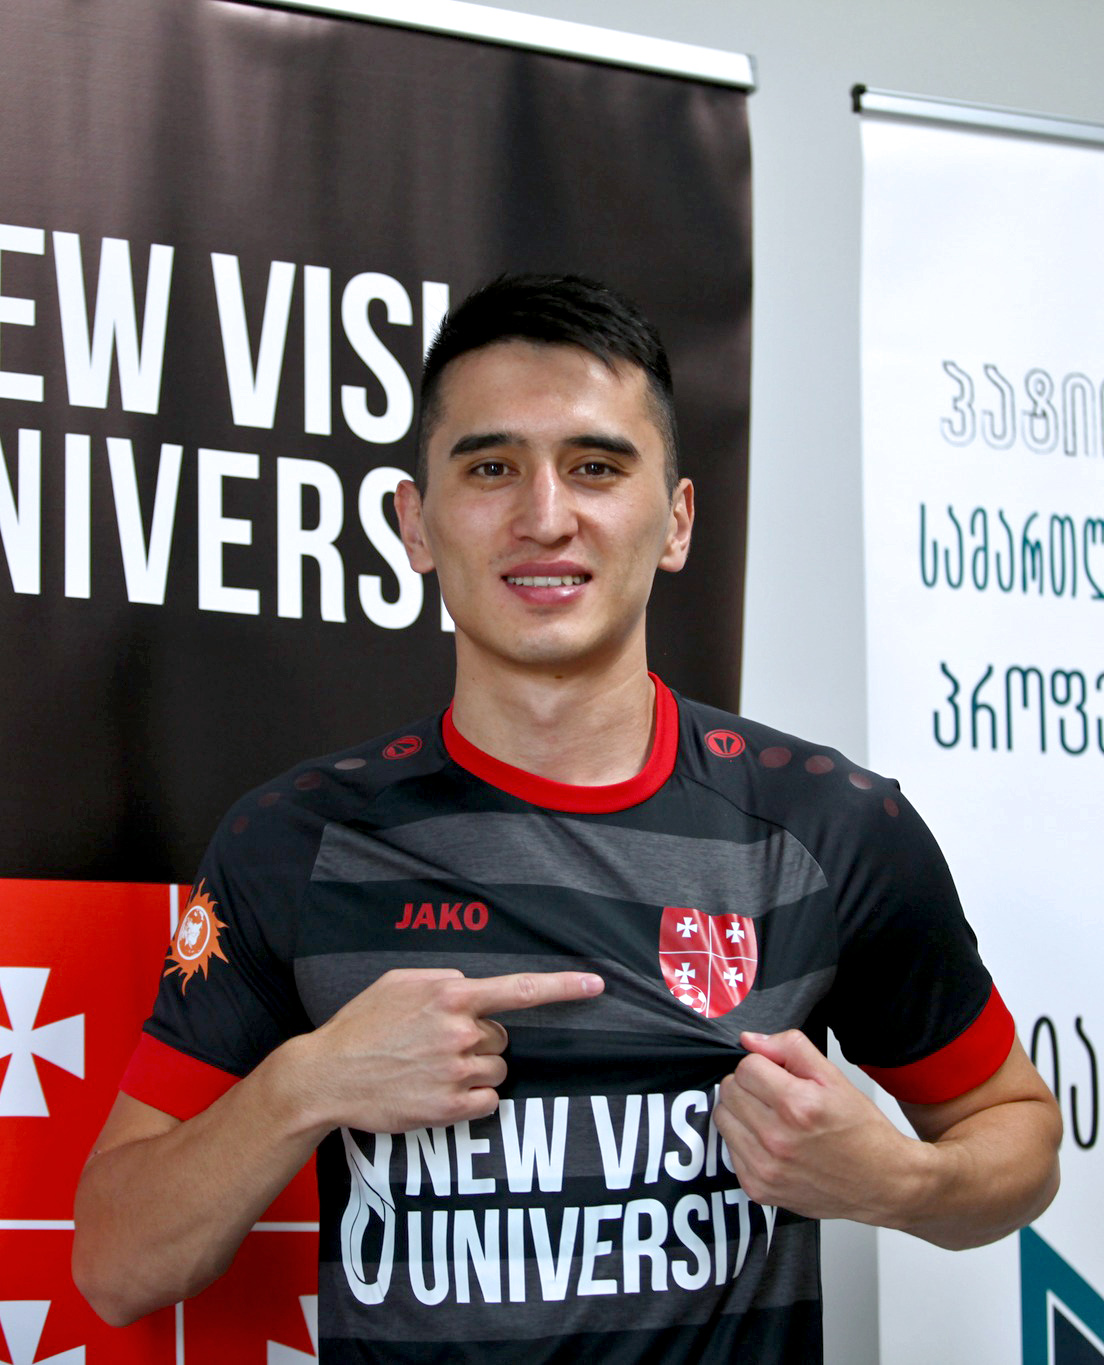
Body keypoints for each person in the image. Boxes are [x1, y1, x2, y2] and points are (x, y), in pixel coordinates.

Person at [73, 274, 1061, 1362]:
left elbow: (1017, 1138)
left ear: (676, 521)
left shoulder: (829, 828)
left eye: (596, 466)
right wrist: (305, 1085)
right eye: (490, 467)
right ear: (415, 524)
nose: (545, 517)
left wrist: (898, 1182)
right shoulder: (293, 843)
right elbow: (116, 1266)